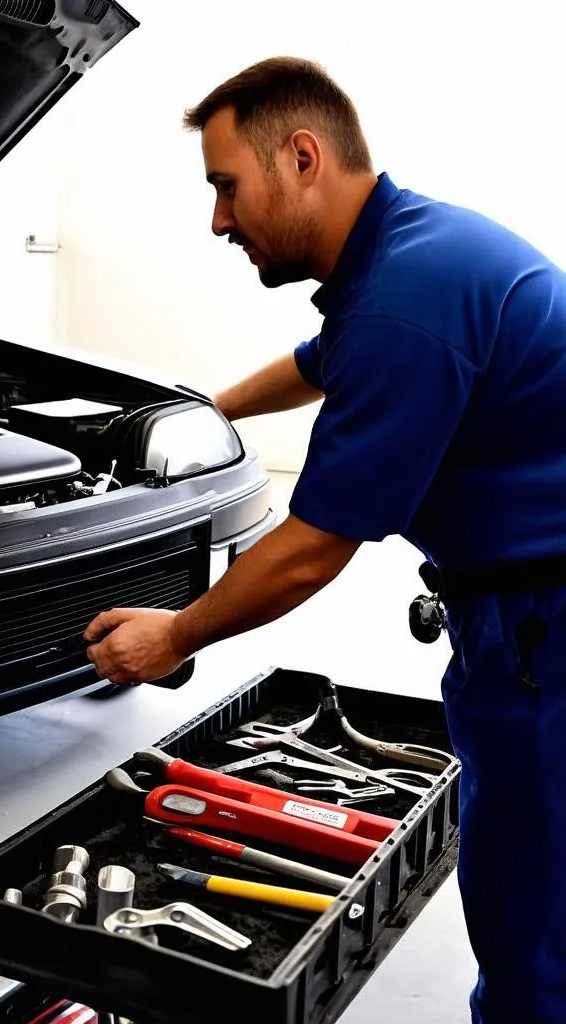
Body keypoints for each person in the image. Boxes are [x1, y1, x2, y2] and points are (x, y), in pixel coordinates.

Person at [82, 56, 566, 1024]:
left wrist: (171, 636)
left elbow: (313, 545)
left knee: (530, 909)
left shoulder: (403, 300)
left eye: (226, 185)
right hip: (526, 610)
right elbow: (315, 362)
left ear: (300, 156)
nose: (218, 220)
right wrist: (202, 413)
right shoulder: (413, 248)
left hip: (541, 635)